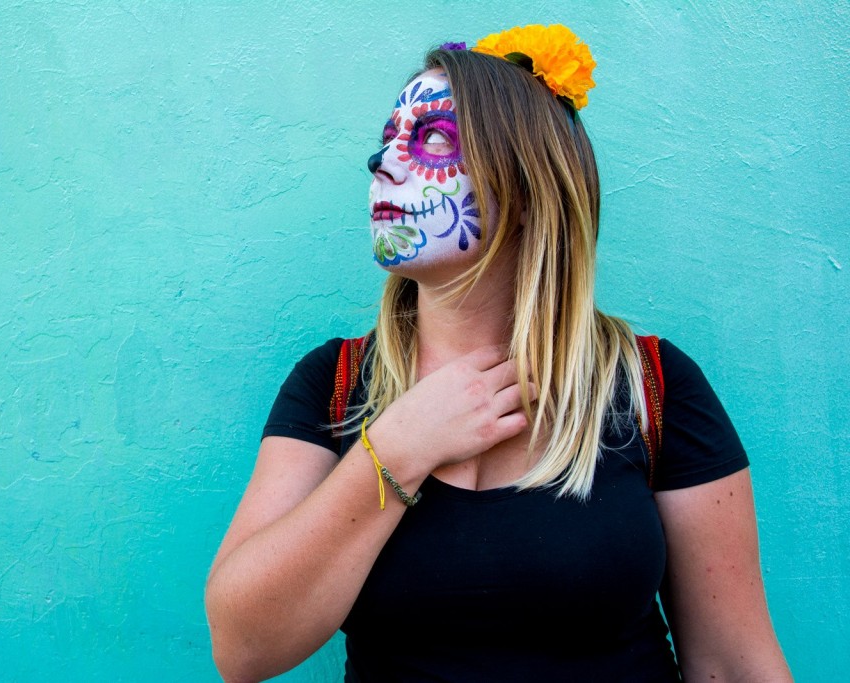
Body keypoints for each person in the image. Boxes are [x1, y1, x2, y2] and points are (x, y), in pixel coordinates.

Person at [205, 24, 792, 682]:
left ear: (522, 188)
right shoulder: (336, 385)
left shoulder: (652, 385)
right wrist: (396, 449)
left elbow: (733, 664)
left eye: (426, 140)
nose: (382, 162)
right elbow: (242, 647)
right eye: (385, 140)